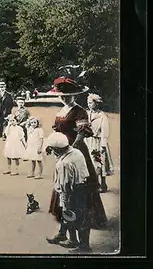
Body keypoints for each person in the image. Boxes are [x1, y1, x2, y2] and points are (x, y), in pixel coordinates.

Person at [46, 75, 108, 252]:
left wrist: (69, 148)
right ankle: (64, 232)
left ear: (75, 95)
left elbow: (82, 134)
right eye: (63, 96)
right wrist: (52, 147)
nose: (65, 98)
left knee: (76, 198)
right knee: (63, 193)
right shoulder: (61, 111)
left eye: (69, 95)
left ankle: (79, 242)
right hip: (62, 156)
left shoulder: (80, 111)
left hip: (76, 155)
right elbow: (56, 133)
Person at [45, 132, 91, 253]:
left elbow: (65, 186)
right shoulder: (77, 152)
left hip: (72, 191)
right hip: (83, 187)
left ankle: (84, 247)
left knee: (72, 215)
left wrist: (65, 202)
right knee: (80, 215)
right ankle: (74, 240)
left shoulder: (63, 164)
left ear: (57, 149)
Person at [84, 93, 114, 193]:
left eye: (91, 103)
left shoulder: (102, 116)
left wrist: (103, 145)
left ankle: (103, 184)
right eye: (88, 103)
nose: (89, 105)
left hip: (98, 141)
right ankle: (94, 184)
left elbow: (105, 132)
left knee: (100, 161)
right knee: (90, 162)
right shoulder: (87, 114)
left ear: (96, 103)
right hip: (88, 140)